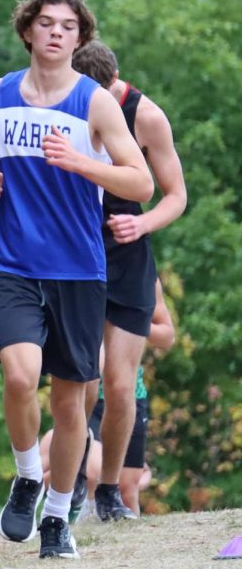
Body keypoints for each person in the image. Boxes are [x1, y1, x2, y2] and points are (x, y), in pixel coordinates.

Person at [0, 0, 153, 558]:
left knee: (70, 402)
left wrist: (83, 163)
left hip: (78, 267)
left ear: (80, 38)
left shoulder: (94, 102)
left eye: (68, 26)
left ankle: (57, 517)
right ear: (28, 30)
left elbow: (141, 182)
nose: (56, 32)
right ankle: (28, 475)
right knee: (21, 376)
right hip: (15, 261)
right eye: (47, 23)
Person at [71, 40, 186, 520]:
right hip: (75, 252)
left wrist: (142, 224)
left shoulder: (147, 116)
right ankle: (72, 479)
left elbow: (175, 195)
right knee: (82, 382)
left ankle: (110, 490)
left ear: (116, 78)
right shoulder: (65, 102)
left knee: (121, 387)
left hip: (128, 254)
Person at [42, 277, 176, 517]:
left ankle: (129, 548)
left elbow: (167, 336)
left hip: (130, 396)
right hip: (87, 395)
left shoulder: (141, 275)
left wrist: (130, 318)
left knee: (127, 490)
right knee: (91, 471)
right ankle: (50, 501)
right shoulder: (77, 269)